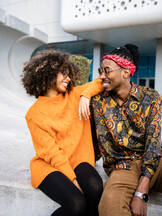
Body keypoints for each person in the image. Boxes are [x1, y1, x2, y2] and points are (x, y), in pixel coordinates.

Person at [79, 44, 162, 216]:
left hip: (155, 162)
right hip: (122, 168)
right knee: (109, 207)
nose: (102, 76)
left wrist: (141, 193)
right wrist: (85, 95)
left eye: (107, 71)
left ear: (125, 72)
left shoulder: (150, 96)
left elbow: (154, 144)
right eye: (100, 71)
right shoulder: (97, 102)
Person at [22, 49, 104, 216]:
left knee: (95, 187)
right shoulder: (34, 114)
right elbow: (51, 154)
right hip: (50, 166)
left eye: (69, 74)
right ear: (48, 72)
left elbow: (100, 82)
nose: (68, 79)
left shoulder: (75, 94)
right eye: (63, 74)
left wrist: (85, 96)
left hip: (78, 160)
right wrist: (73, 180)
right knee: (76, 204)